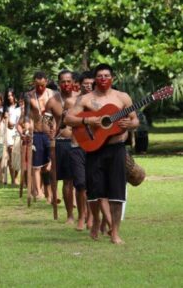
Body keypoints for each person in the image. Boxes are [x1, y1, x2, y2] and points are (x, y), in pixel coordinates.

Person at [65, 64, 139, 244]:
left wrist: (131, 125)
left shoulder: (122, 97)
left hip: (117, 148)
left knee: (116, 191)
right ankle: (96, 220)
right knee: (95, 190)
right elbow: (68, 118)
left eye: (107, 75)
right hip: (94, 148)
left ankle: (115, 232)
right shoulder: (86, 99)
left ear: (112, 78)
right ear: (95, 79)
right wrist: (88, 119)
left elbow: (134, 119)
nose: (103, 79)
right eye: (100, 76)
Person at [24, 71, 62, 202]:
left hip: (51, 133)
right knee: (37, 166)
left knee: (51, 165)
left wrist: (57, 130)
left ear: (46, 81)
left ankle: (52, 193)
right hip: (37, 133)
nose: (40, 88)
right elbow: (27, 115)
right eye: (37, 85)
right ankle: (39, 193)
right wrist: (27, 127)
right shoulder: (29, 96)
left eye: (42, 85)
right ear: (34, 83)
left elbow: (58, 114)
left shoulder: (54, 94)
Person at [64, 71, 94, 230]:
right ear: (79, 84)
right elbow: (66, 124)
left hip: (95, 147)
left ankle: (91, 215)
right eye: (85, 84)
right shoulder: (71, 102)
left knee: (92, 183)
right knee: (80, 183)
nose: (88, 86)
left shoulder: (98, 102)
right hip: (76, 146)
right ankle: (81, 216)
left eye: (91, 83)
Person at [55, 69, 76, 224]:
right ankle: (70, 215)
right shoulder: (52, 101)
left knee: (83, 182)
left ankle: (86, 214)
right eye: (63, 81)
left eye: (69, 81)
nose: (66, 84)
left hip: (83, 143)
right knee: (67, 180)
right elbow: (48, 125)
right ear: (59, 83)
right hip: (63, 144)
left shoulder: (83, 99)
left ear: (74, 82)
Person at [4, 89, 21, 185]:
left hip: (18, 133)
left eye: (11, 95)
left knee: (17, 156)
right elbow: (7, 123)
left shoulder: (19, 108)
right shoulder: (6, 108)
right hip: (9, 133)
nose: (9, 97)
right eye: (8, 96)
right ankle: (13, 178)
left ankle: (16, 176)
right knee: (11, 156)